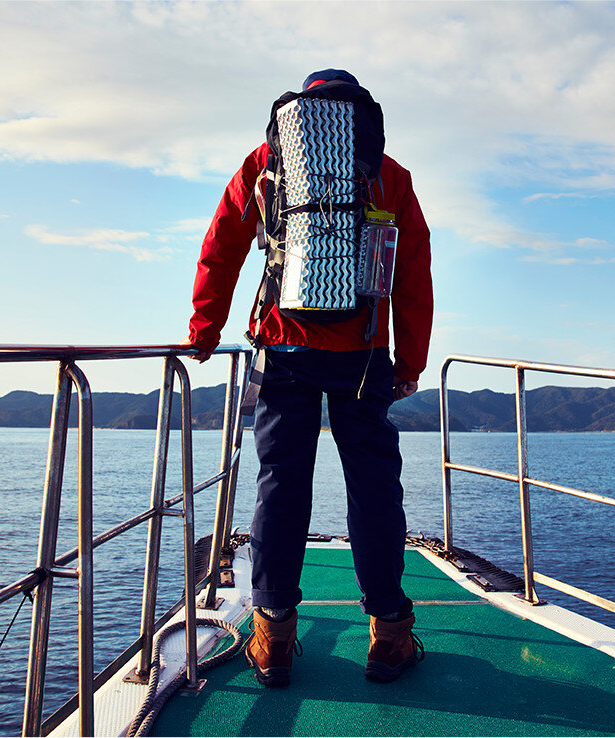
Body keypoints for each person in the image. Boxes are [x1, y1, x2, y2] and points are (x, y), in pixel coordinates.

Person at [184, 69, 433, 687]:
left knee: (281, 485)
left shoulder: (267, 163)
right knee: (373, 488)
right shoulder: (389, 173)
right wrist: (411, 361)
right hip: (365, 353)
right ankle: (389, 635)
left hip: (283, 347)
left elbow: (223, 245)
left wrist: (204, 330)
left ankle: (271, 635)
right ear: (360, 115)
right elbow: (413, 270)